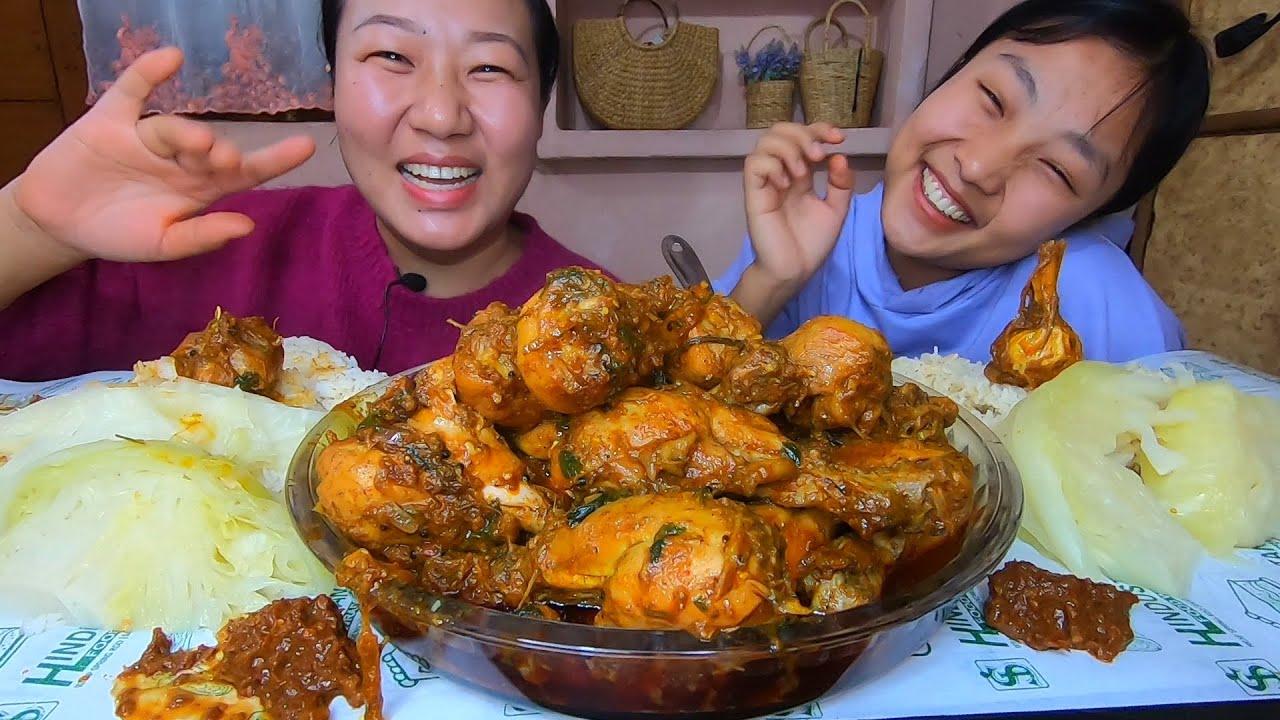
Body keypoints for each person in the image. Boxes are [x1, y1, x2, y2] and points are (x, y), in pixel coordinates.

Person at [0, 0, 608, 381]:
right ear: (334, 84)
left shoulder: (608, 328)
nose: (442, 115)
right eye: (392, 55)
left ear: (540, 101)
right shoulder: (204, 247)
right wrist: (29, 229)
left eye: (490, 68)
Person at [718, 0, 1209, 364]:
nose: (977, 167)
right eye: (993, 99)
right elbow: (681, 404)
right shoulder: (809, 234)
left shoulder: (1101, 307)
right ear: (955, 72)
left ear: (1091, 215)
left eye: (1057, 169)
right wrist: (771, 279)